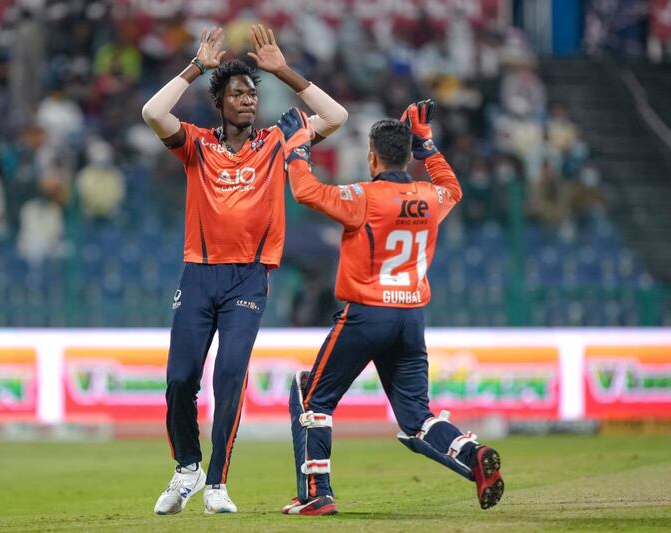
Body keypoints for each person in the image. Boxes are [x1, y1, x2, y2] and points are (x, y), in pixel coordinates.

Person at [141, 24, 347, 515]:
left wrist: (285, 72)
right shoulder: (196, 145)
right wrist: (196, 67)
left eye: (253, 93)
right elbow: (152, 112)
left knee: (230, 376)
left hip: (249, 278)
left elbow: (336, 116)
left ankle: (216, 483)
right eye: (238, 93)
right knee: (179, 379)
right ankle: (186, 468)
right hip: (199, 274)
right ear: (221, 102)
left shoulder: (278, 140)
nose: (249, 100)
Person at [275, 101, 504, 516]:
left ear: (372, 157)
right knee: (417, 418)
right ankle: (472, 455)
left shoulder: (364, 197)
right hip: (410, 320)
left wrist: (297, 148)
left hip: (366, 314)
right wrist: (428, 146)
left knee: (311, 396)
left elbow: (305, 191)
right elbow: (453, 189)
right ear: (405, 154)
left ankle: (316, 492)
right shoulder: (431, 197)